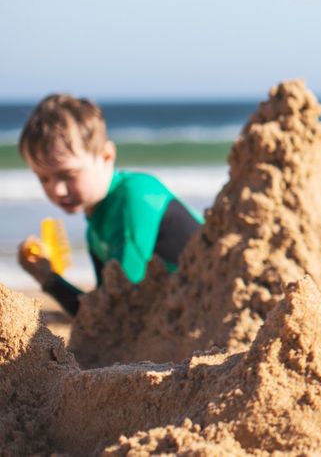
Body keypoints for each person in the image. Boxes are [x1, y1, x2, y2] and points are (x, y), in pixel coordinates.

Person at [16, 93, 203, 316]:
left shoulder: (137, 195)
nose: (56, 190)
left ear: (106, 156)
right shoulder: (95, 230)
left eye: (67, 174)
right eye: (43, 178)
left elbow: (116, 311)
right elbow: (100, 319)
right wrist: (48, 278)